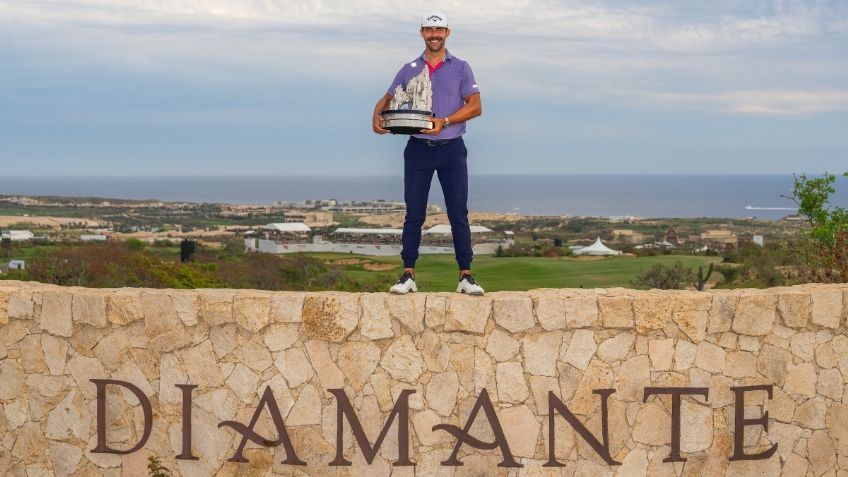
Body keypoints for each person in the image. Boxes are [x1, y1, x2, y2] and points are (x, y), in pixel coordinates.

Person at [372, 11, 484, 296]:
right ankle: (408, 274)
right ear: (422, 32)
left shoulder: (461, 67)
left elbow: (476, 106)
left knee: (458, 214)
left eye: (440, 30)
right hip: (418, 150)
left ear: (448, 33)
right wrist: (376, 115)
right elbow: (387, 98)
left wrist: (444, 122)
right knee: (414, 214)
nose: (434, 35)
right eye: (429, 30)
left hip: (452, 149)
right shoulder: (409, 68)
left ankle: (466, 276)